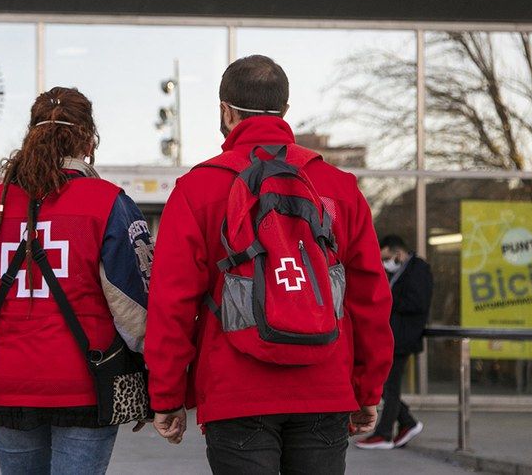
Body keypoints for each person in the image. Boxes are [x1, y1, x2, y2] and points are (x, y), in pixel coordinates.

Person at [144, 55, 394, 474]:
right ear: (285, 109)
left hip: (235, 391)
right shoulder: (338, 187)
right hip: (325, 386)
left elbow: (172, 301)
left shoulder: (198, 189)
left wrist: (167, 395)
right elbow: (370, 297)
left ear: (225, 110)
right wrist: (368, 388)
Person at [0, 87, 153, 475]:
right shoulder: (108, 202)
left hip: (5, 384)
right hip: (87, 383)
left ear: (30, 134)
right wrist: (159, 384)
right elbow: (134, 310)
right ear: (88, 140)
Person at [355, 235, 433, 450]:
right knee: (385, 385)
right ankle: (407, 422)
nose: (385, 262)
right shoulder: (398, 271)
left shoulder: (418, 269)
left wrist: (388, 298)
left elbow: (417, 302)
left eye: (387, 257)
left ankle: (385, 433)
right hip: (392, 336)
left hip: (404, 337)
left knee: (389, 386)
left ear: (398, 253)